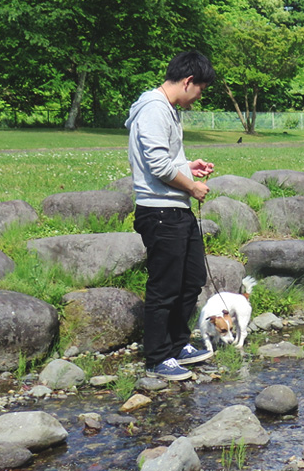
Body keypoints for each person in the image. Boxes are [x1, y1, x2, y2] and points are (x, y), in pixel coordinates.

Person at [126, 50, 218, 379]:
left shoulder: (168, 109)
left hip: (176, 209)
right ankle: (157, 357)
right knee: (164, 288)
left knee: (191, 279)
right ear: (189, 81)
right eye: (201, 89)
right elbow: (156, 165)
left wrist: (188, 167)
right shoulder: (153, 109)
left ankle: (179, 344)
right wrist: (192, 187)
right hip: (160, 211)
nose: (200, 97)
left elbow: (167, 161)